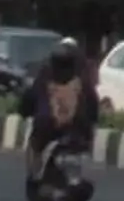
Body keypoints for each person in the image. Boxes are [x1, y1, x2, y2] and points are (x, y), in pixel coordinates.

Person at [20, 39, 99, 185]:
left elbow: (29, 99)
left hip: (48, 127)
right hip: (77, 128)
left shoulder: (45, 75)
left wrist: (25, 112)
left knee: (35, 144)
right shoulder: (84, 78)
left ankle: (34, 177)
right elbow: (93, 106)